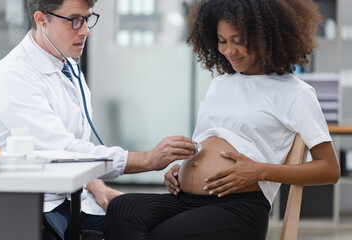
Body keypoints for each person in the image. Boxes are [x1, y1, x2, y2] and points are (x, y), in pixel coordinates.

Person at [104, 0, 341, 239]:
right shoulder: (220, 84)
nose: (229, 51)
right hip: (186, 199)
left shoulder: (296, 93)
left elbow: (329, 169)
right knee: (122, 208)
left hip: (239, 207)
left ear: (266, 36)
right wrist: (181, 170)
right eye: (222, 40)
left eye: (239, 41)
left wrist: (259, 172)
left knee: (161, 234)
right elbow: (204, 146)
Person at [0, 0, 197, 239]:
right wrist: (148, 160)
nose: (86, 30)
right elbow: (63, 150)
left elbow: (73, 148)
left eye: (87, 19)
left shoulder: (67, 66)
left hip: (74, 197)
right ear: (41, 19)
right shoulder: (13, 76)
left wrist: (97, 186)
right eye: (75, 20)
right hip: (37, 207)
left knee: (157, 221)